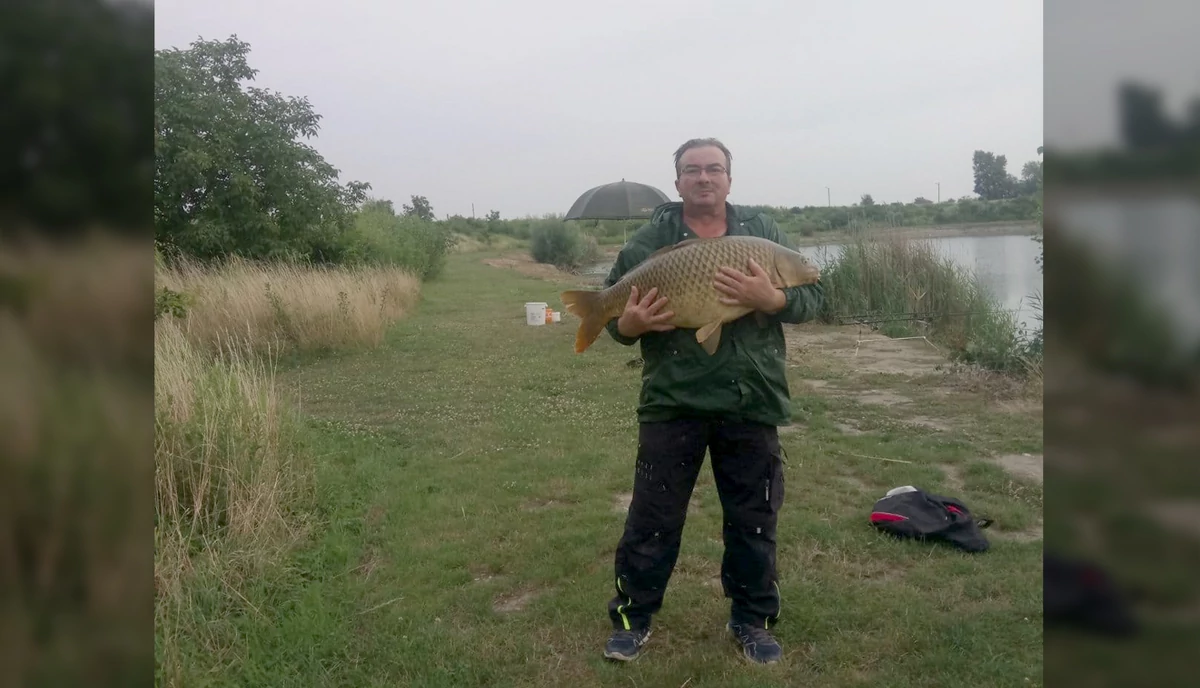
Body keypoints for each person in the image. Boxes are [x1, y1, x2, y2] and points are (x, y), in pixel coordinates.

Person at [600, 138, 824, 665]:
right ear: (677, 181)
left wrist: (774, 300)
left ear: (729, 178)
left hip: (751, 399)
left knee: (753, 519)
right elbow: (617, 317)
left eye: (714, 169)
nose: (704, 178)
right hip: (672, 401)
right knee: (653, 516)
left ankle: (752, 621)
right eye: (692, 170)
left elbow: (813, 293)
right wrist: (627, 325)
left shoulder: (763, 234)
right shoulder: (648, 241)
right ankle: (633, 619)